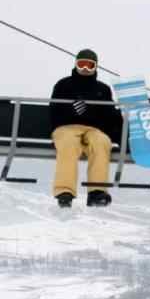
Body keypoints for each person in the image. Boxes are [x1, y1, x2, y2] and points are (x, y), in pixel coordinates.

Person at [49, 49, 122, 208]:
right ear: (75, 65)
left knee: (102, 142)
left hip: (93, 129)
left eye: (90, 65)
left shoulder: (102, 89)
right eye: (81, 64)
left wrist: (91, 113)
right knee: (68, 144)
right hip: (66, 127)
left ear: (96, 67)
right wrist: (70, 110)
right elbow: (54, 111)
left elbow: (109, 116)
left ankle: (96, 191)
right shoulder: (63, 85)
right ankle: (65, 192)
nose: (85, 69)